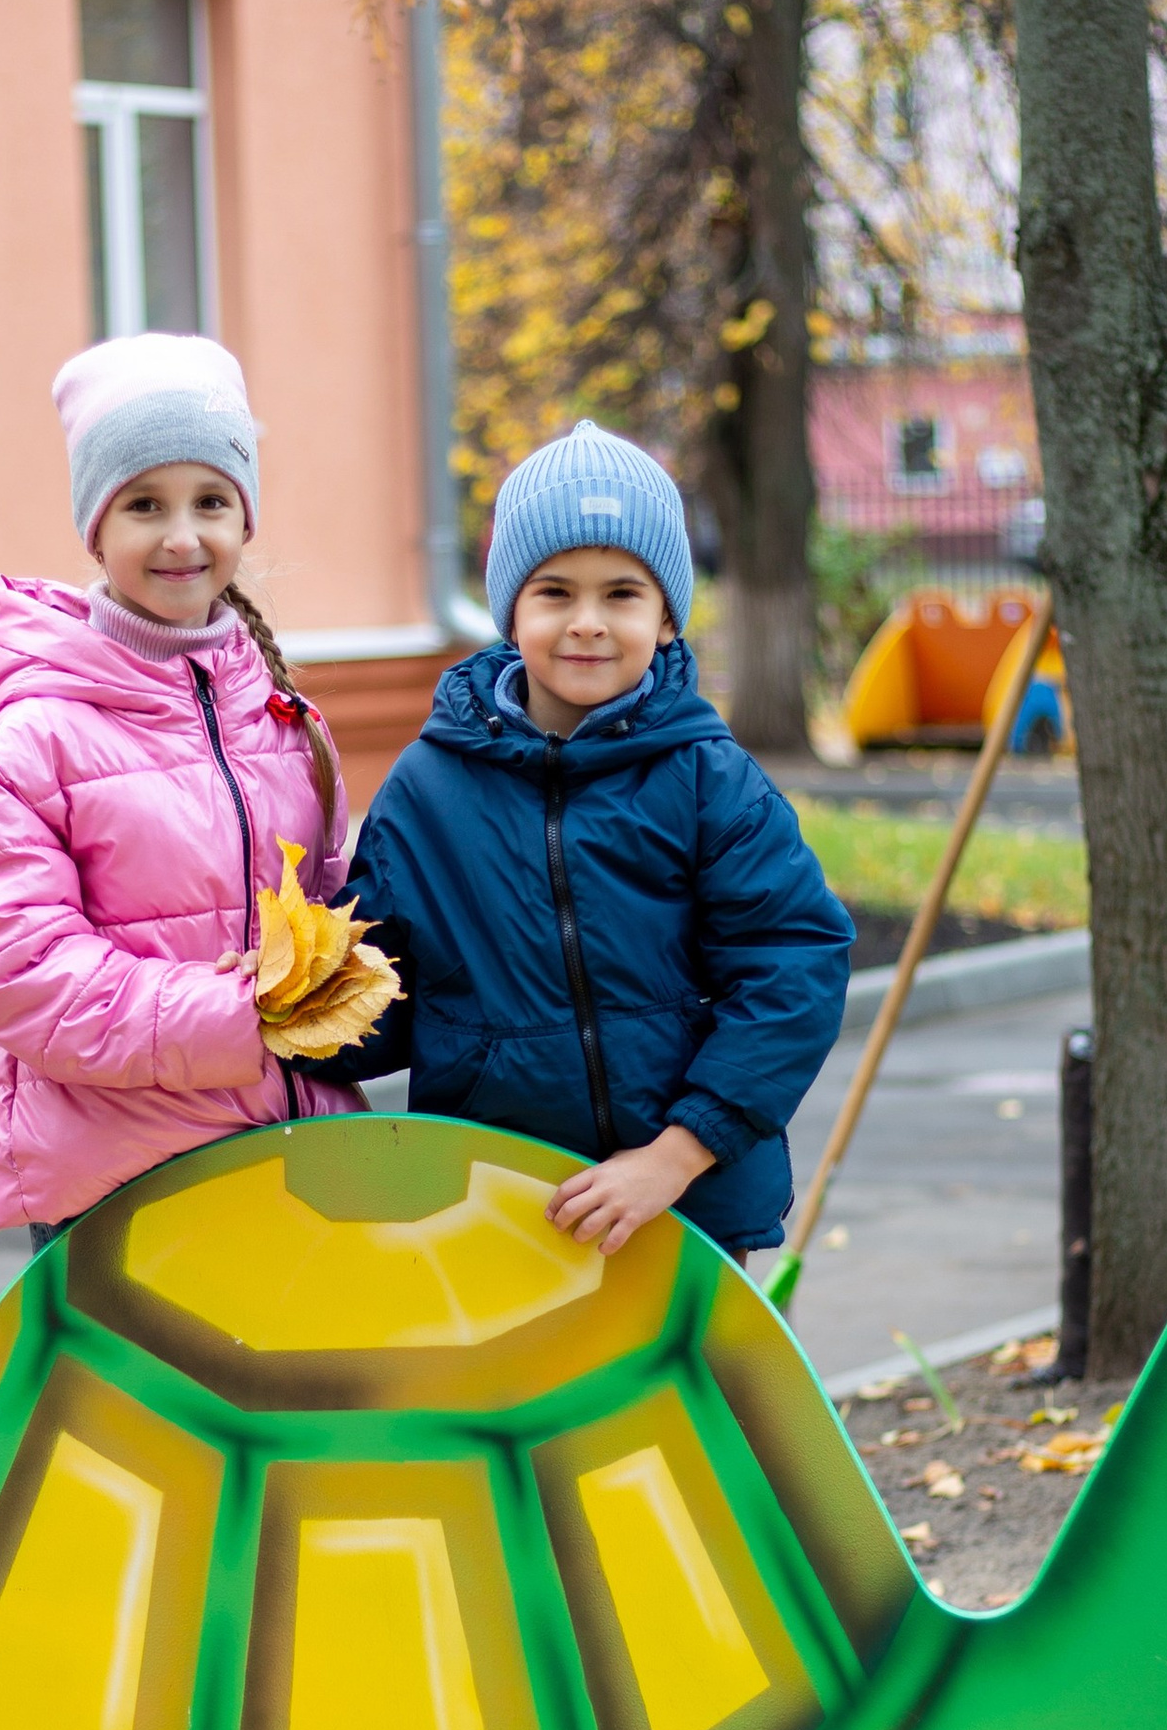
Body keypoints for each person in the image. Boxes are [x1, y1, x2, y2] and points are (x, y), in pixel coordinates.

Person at [330, 421, 853, 1260]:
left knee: (675, 1398)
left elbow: (795, 967)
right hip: (492, 1211)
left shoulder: (706, 777)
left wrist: (677, 1156)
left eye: (622, 593)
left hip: (681, 1209)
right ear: (510, 612)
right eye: (554, 592)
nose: (588, 623)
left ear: (668, 619)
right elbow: (378, 1003)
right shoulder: (427, 790)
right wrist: (290, 992)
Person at [0, 333, 353, 1236]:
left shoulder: (282, 719)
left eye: (210, 501)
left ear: (246, 520)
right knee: (151, 1389)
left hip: (284, 1164)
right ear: (97, 527)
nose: (182, 535)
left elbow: (327, 906)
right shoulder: (32, 740)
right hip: (119, 1188)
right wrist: (246, 1012)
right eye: (145, 504)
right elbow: (20, 975)